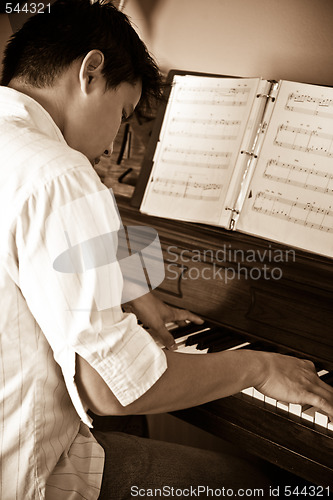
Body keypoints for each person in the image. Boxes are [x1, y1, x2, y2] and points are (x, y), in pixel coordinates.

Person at [0, 1, 332, 499]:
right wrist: (262, 366)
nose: (113, 145)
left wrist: (131, 291)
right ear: (90, 72)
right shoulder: (63, 172)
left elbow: (34, 248)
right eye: (123, 115)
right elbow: (111, 390)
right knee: (259, 484)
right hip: (26, 473)